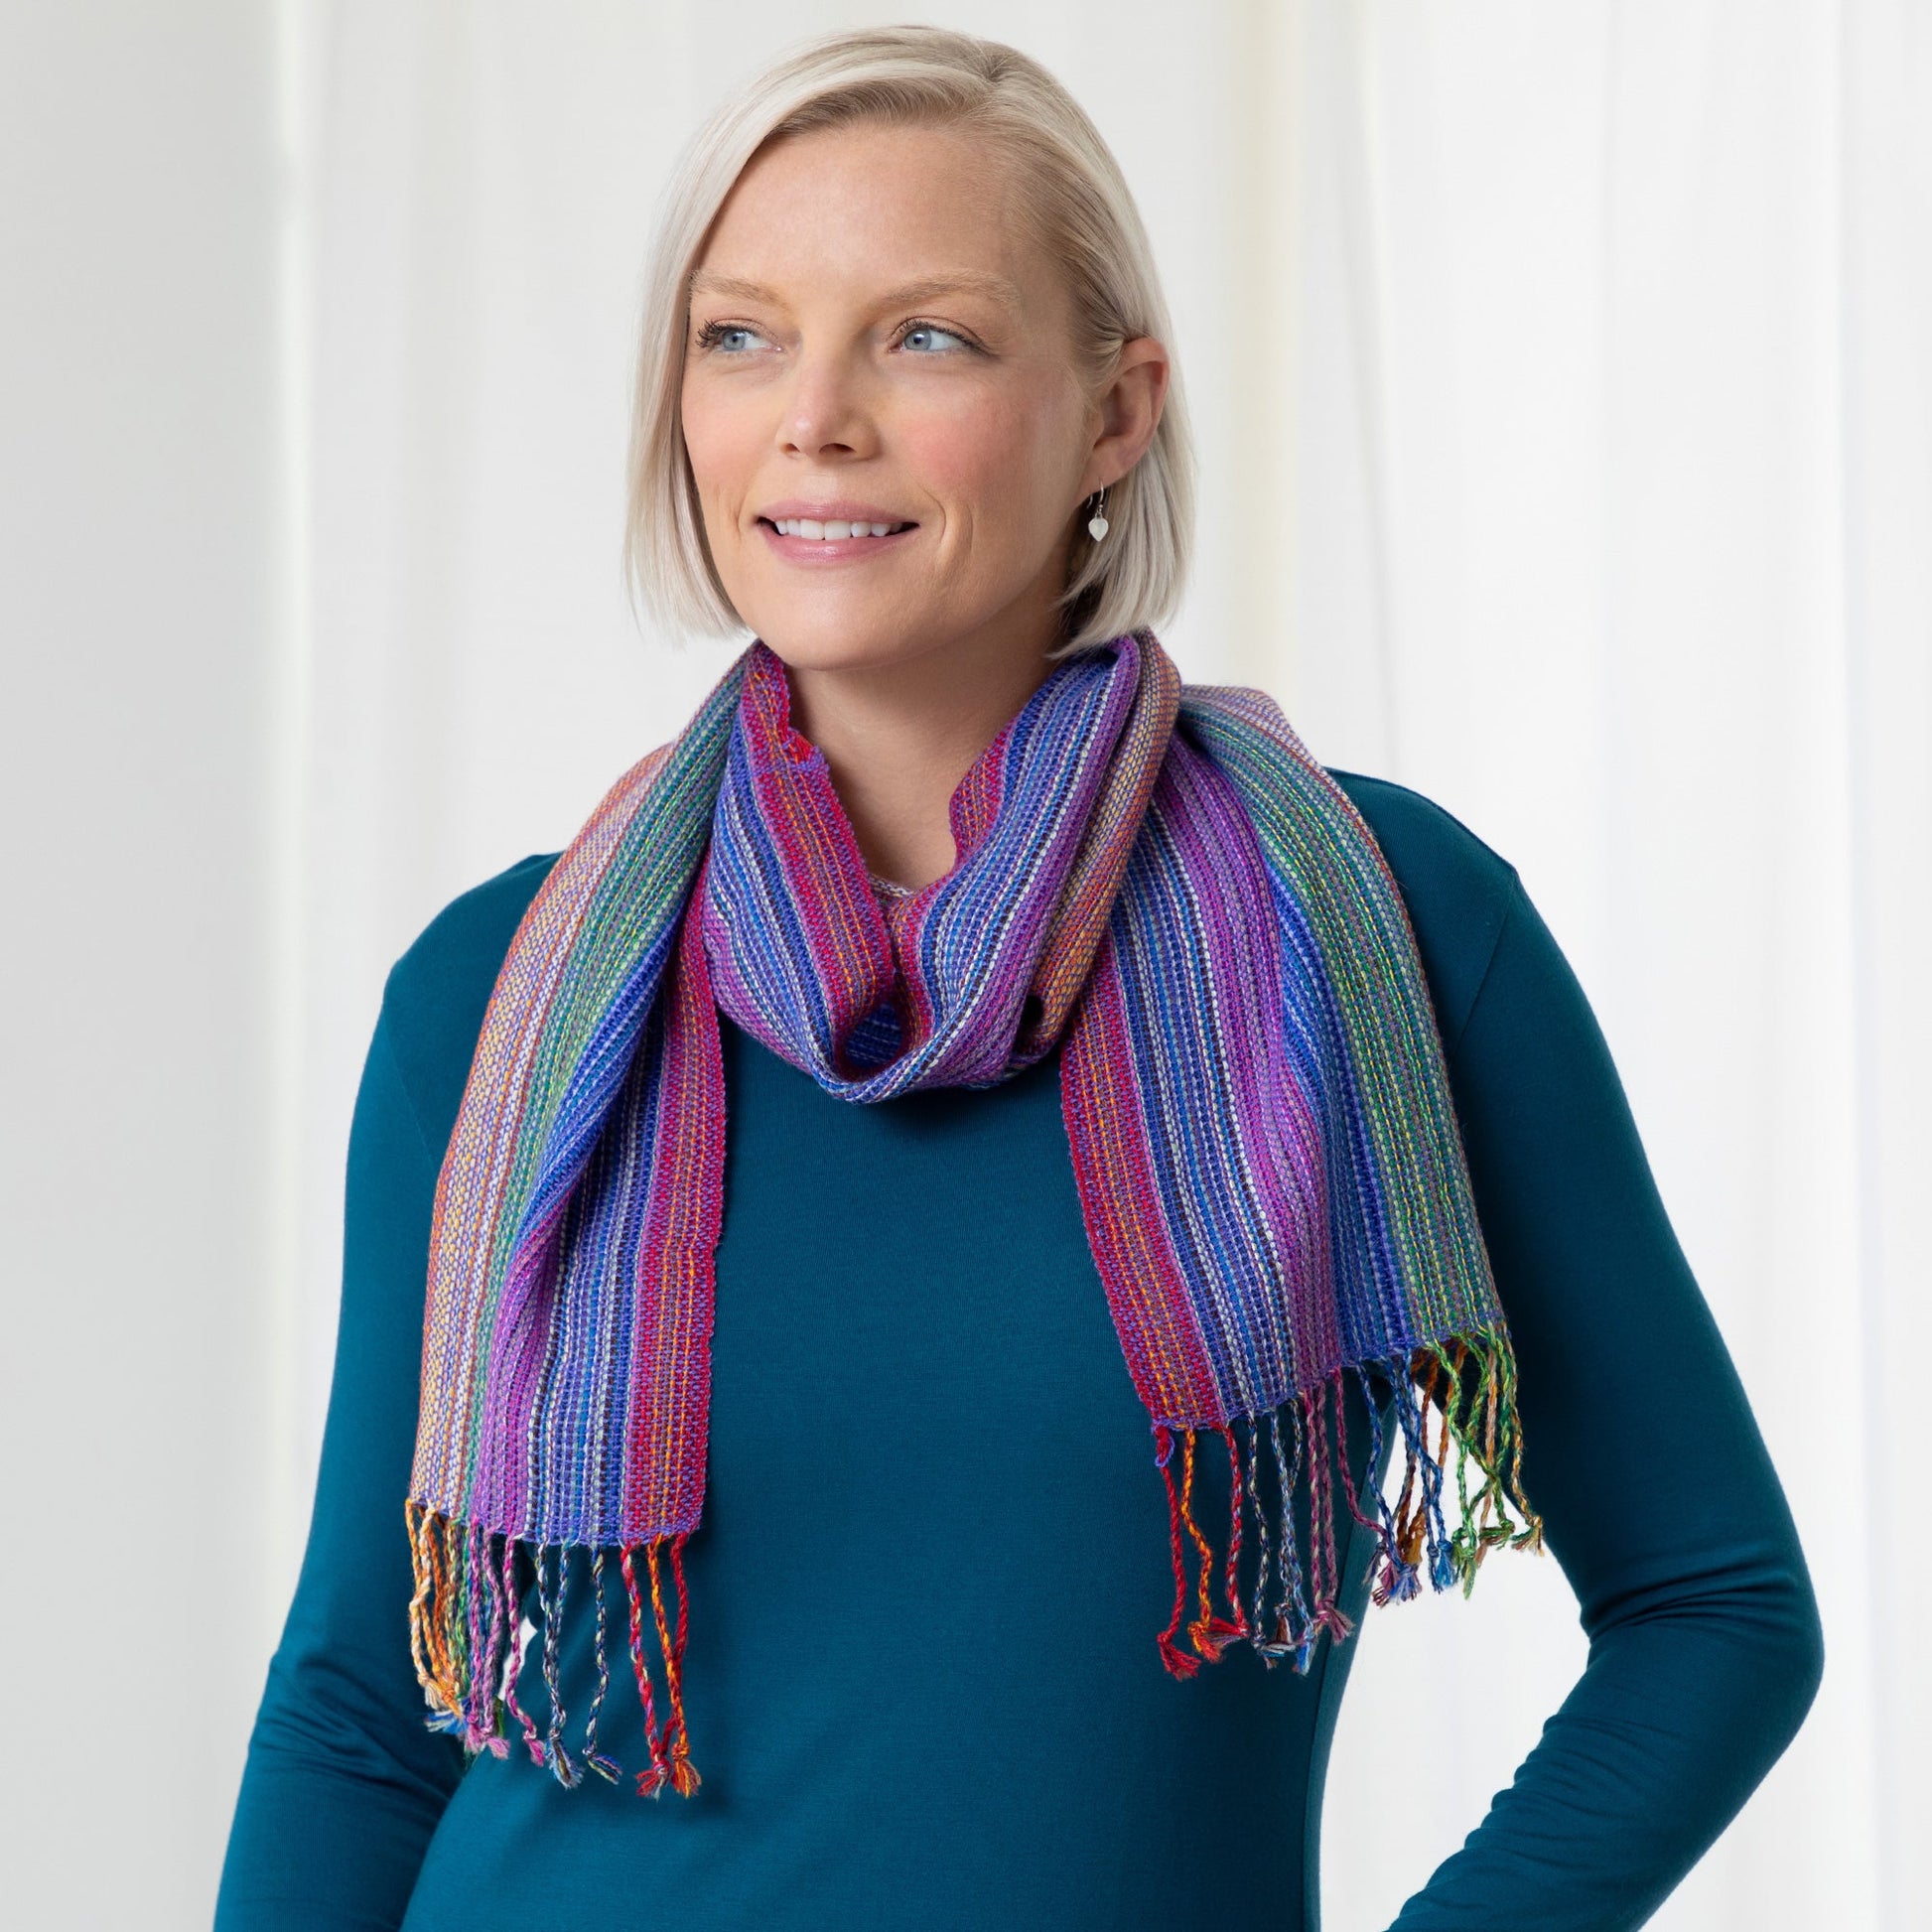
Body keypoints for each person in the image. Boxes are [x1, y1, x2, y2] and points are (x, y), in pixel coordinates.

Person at [214, 25, 1822, 1932]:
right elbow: (363, 1713)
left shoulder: (1373, 928)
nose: (815, 417)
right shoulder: (502, 997)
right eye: (740, 336)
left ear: (1117, 410)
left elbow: (1712, 1609)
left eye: (927, 337)